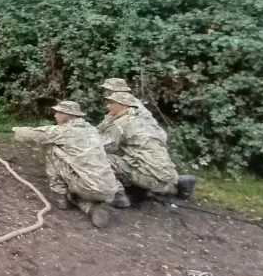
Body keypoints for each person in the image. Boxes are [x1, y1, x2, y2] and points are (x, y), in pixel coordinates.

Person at [13, 101, 120, 229]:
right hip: (110, 188)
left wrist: (16, 129)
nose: (55, 115)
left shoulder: (63, 131)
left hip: (87, 186)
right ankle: (91, 207)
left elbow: (34, 135)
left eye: (59, 112)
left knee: (52, 149)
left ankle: (59, 195)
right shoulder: (92, 130)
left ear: (68, 115)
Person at [100, 91, 196, 205]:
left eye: (112, 103)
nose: (108, 106)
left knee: (101, 159)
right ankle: (181, 181)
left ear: (124, 106)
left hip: (151, 180)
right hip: (169, 177)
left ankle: (117, 195)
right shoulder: (143, 121)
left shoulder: (121, 124)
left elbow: (104, 148)